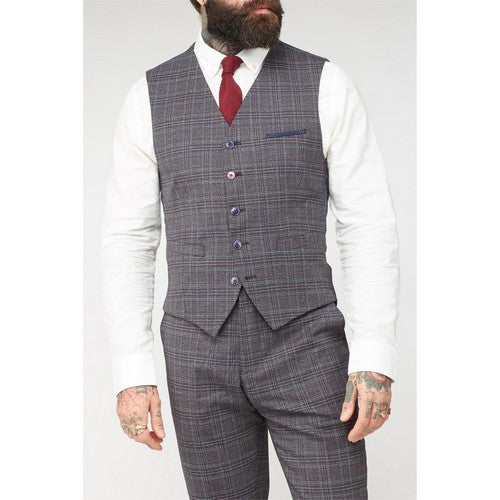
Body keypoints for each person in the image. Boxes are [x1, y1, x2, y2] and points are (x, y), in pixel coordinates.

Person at [100, 0, 400, 497]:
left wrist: (374, 356)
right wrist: (131, 371)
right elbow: (129, 238)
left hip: (307, 348)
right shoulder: (148, 97)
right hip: (197, 357)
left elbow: (367, 223)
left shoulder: (326, 83)